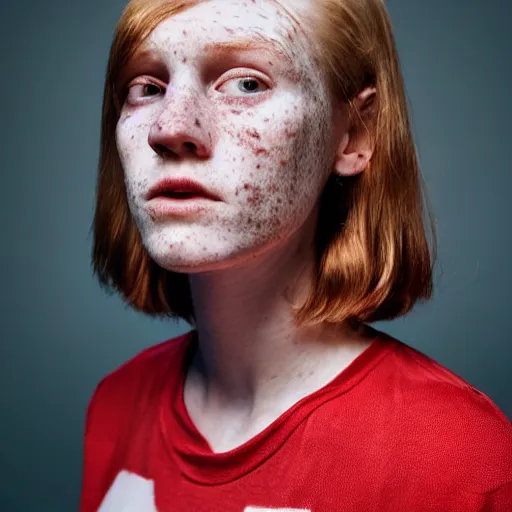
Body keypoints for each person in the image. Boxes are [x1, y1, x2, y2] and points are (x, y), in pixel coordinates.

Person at [80, 0, 512, 510]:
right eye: (146, 88)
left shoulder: (456, 458)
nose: (169, 128)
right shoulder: (116, 403)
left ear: (354, 133)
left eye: (246, 83)